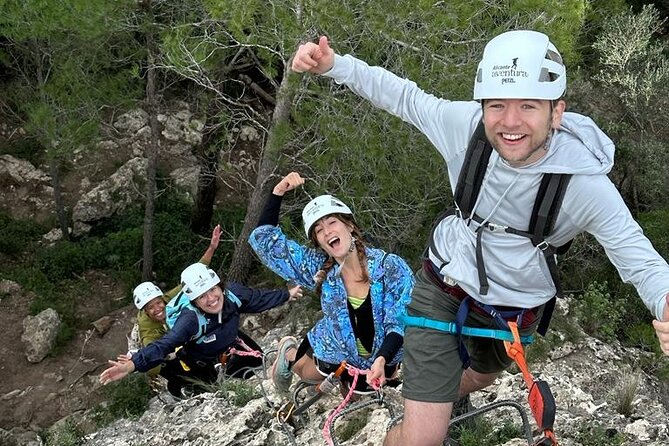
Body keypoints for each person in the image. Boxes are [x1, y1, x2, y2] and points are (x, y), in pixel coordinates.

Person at [291, 30, 669, 446]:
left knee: (479, 377)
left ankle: (427, 394)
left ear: (556, 113)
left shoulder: (583, 186)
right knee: (422, 438)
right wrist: (335, 66)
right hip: (445, 284)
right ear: (482, 107)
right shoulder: (466, 131)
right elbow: (403, 97)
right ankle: (412, 423)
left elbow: (642, 261)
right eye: (497, 106)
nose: (510, 122)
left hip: (512, 308)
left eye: (528, 105)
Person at [248, 172, 415, 395]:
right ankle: (288, 353)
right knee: (303, 370)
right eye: (319, 230)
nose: (327, 232)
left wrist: (383, 358)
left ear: (350, 226)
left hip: (386, 356)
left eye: (332, 222)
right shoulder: (318, 268)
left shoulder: (390, 267)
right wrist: (277, 193)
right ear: (319, 242)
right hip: (335, 349)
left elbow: (401, 319)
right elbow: (266, 242)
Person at [100, 262, 302, 396]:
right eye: (202, 296)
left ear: (220, 286)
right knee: (214, 388)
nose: (212, 299)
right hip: (204, 360)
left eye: (213, 290)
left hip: (231, 342)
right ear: (194, 301)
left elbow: (258, 299)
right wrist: (133, 364)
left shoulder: (233, 294)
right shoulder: (189, 320)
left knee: (261, 366)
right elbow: (164, 344)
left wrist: (287, 294)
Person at [128, 225, 222, 393]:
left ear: (162, 298)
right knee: (168, 364)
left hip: (180, 341)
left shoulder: (169, 298)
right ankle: (186, 387)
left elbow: (192, 279)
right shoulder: (147, 326)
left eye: (158, 303)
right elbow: (151, 347)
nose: (158, 309)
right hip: (165, 353)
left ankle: (213, 369)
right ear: (145, 311)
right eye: (151, 307)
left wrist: (212, 247)